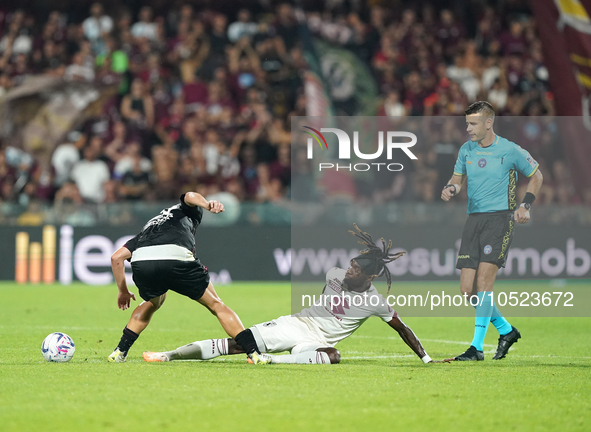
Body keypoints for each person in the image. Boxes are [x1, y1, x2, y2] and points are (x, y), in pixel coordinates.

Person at [143, 225, 440, 365]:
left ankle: (272, 361)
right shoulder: (334, 275)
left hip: (317, 342)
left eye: (355, 271)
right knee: (237, 344)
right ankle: (169, 355)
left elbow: (403, 329)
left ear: (370, 277)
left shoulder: (376, 303)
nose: (348, 272)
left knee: (334, 356)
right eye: (350, 266)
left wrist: (426, 359)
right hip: (298, 325)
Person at [108, 192, 268, 364]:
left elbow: (116, 258)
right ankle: (253, 353)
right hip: (176, 256)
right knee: (216, 304)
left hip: (143, 261)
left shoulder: (149, 228)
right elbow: (190, 195)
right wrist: (206, 205)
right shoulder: (185, 211)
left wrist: (123, 291)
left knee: (153, 302)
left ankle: (119, 351)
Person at [441, 101, 543, 361]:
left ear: (489, 123)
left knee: (485, 283)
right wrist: (451, 188)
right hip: (473, 221)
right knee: (467, 290)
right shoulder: (466, 150)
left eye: (473, 124)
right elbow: (457, 179)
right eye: (466, 123)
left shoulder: (509, 150)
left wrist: (525, 205)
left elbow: (537, 176)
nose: (468, 129)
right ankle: (506, 330)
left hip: (500, 220)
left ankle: (476, 348)